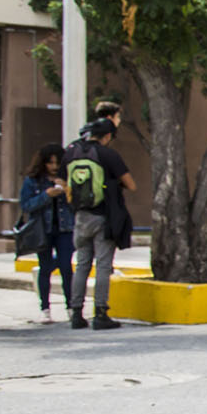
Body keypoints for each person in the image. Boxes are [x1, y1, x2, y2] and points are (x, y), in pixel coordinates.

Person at [67, 118, 135, 330]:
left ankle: (76, 312)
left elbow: (64, 184)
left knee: (82, 265)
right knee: (103, 266)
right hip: (103, 217)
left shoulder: (71, 154)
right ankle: (100, 313)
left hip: (80, 217)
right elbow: (131, 185)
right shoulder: (108, 155)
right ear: (107, 137)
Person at [20, 144, 74, 323]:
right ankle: (45, 308)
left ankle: (72, 307)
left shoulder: (68, 178)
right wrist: (46, 195)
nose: (54, 167)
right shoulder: (33, 181)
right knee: (45, 268)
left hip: (65, 230)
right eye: (50, 163)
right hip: (43, 230)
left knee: (66, 267)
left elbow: (77, 204)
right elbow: (26, 205)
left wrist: (67, 190)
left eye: (57, 163)